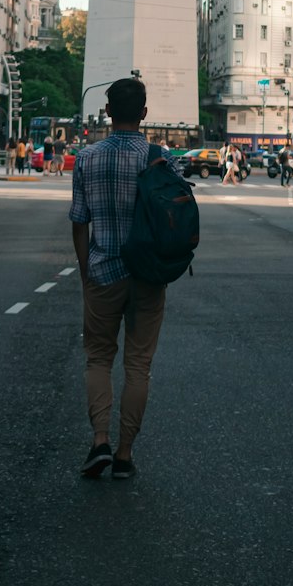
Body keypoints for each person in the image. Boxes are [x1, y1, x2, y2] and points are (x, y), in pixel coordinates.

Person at [70, 78, 175, 481]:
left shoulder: (87, 158)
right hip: (148, 276)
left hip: (102, 272)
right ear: (144, 113)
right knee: (138, 366)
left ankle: (99, 441)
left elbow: (80, 223)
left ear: (108, 112)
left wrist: (85, 272)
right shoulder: (160, 158)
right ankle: (125, 454)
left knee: (98, 357)